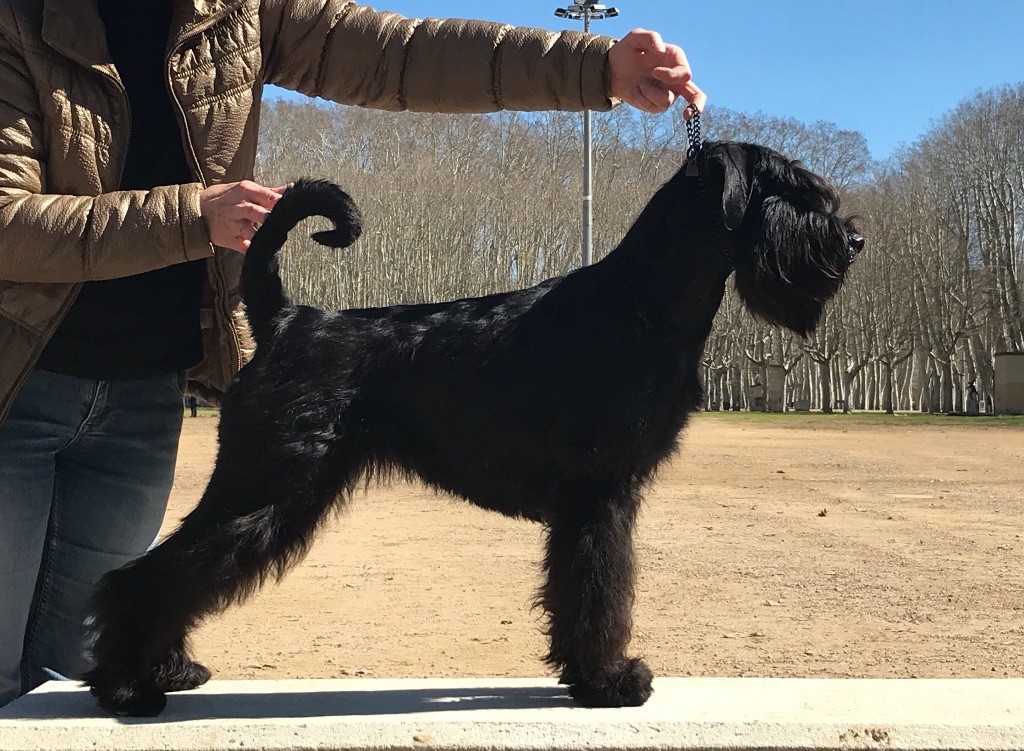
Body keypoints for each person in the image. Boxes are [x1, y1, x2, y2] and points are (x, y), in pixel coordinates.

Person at [0, 0, 705, 708]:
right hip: (18, 384)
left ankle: (138, 633)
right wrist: (194, 215)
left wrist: (598, 67)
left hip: (143, 386)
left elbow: (401, 53)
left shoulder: (233, 11)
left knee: (64, 682)